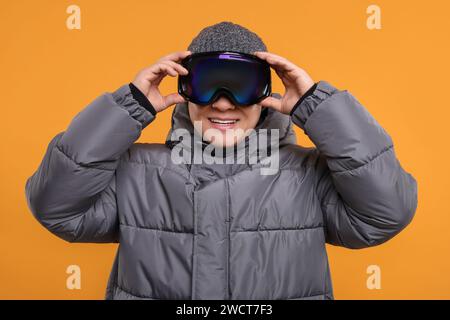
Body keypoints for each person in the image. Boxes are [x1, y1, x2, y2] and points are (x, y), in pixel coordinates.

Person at [25, 21, 418, 300]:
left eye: (243, 84)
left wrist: (317, 106)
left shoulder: (309, 175)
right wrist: (130, 105)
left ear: (268, 92)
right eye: (207, 82)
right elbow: (57, 208)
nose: (224, 101)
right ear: (183, 88)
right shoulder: (133, 170)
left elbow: (385, 214)